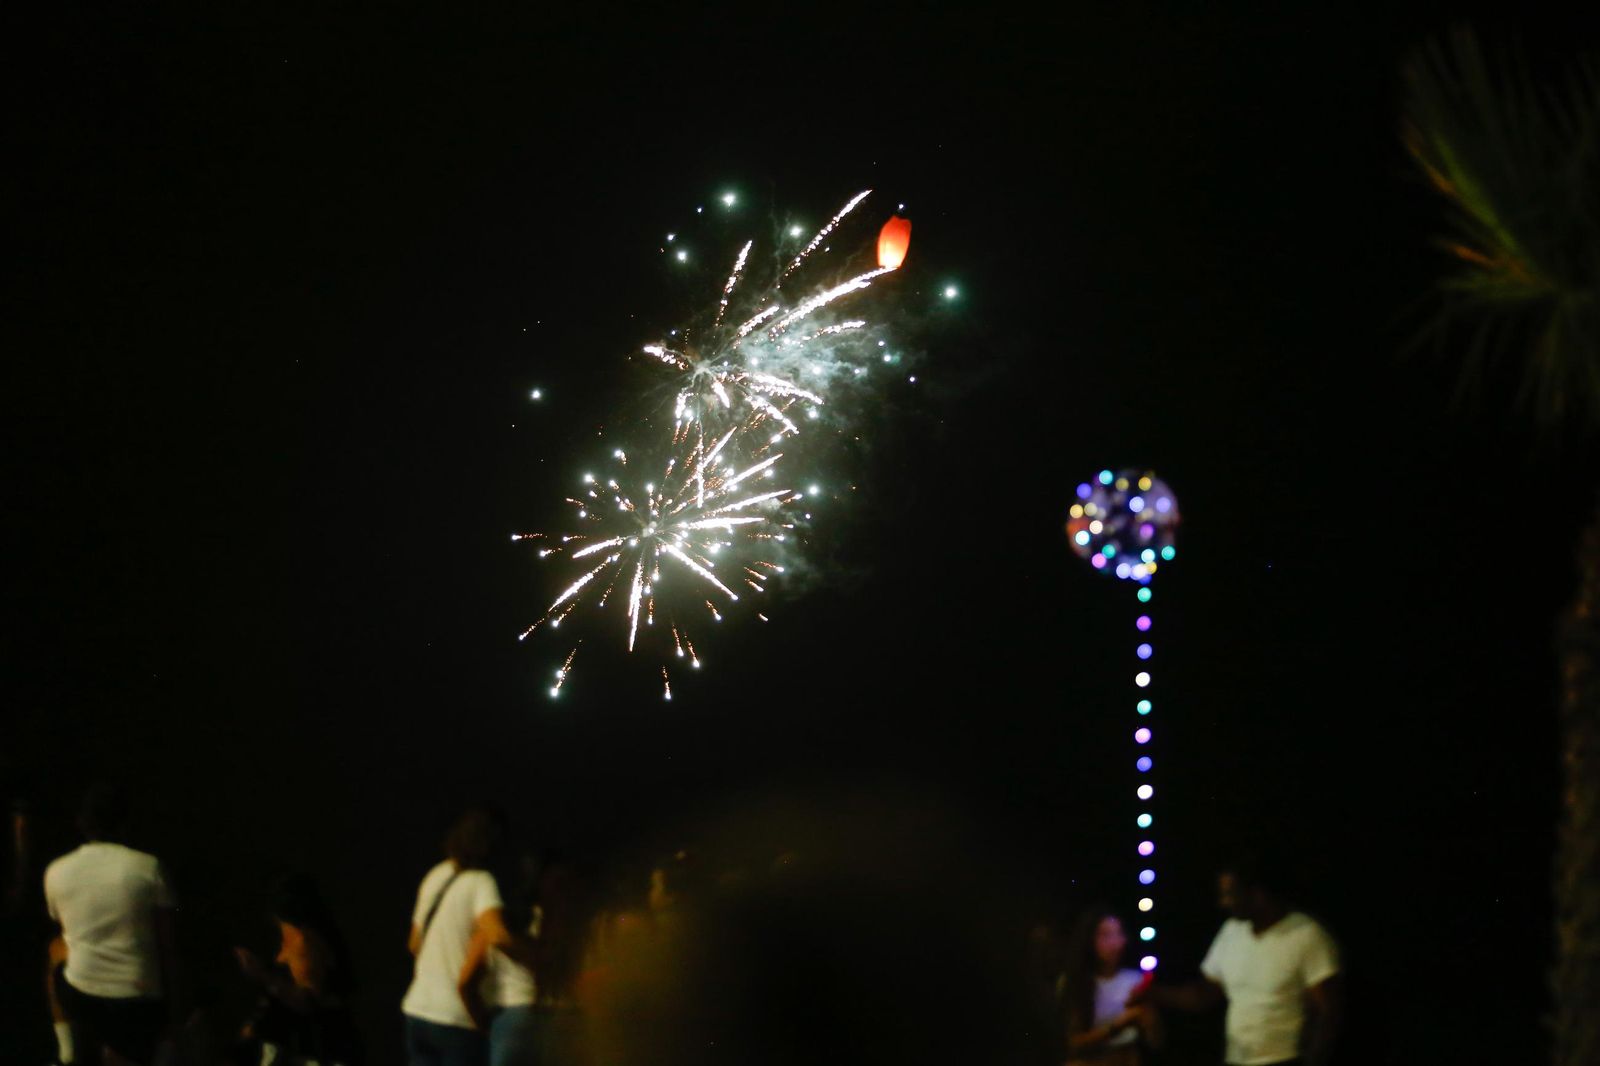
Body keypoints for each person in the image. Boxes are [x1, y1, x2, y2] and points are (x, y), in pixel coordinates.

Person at [1131, 854, 1341, 1066]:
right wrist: (1154, 993)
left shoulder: (1307, 935)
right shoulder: (1231, 932)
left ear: (1257, 894)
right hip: (1237, 1059)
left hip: (1285, 1059)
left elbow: (1327, 1012)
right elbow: (1204, 995)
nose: (1223, 903)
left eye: (1230, 894)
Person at [43, 782, 184, 1066]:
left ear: (81, 823)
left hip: (82, 995)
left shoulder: (56, 870)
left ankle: (67, 1050)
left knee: (56, 949)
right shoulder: (149, 867)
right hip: (138, 999)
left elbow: (65, 930)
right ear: (125, 822)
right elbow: (167, 943)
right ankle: (163, 1048)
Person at [403, 806, 514, 1066]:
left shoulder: (436, 875)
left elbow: (414, 943)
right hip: (457, 1019)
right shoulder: (482, 882)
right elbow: (496, 935)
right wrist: (536, 957)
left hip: (417, 1010)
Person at [231, 872, 362, 1065]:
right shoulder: (288, 939)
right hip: (295, 1046)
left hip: (317, 1049)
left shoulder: (304, 942)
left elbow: (308, 1002)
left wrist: (263, 975)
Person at [1061, 906, 1161, 1065]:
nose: (1115, 943)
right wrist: (1121, 1023)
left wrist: (1149, 1016)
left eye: (1119, 933)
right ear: (1089, 940)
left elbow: (1155, 1042)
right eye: (1105, 935)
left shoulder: (1135, 979)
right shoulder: (1077, 982)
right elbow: (1072, 1043)